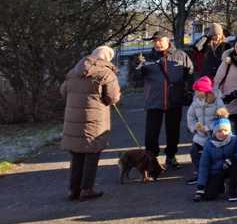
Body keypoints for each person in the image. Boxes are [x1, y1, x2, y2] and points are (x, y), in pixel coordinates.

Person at [61, 45, 121, 201]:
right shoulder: (106, 73)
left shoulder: (73, 72)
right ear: (107, 58)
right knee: (91, 154)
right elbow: (112, 98)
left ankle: (73, 190)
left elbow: (63, 92)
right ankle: (87, 189)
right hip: (94, 121)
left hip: (73, 120)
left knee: (77, 155)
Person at [133, 31, 194, 170]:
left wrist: (189, 90)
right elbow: (136, 80)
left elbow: (190, 74)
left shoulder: (180, 55)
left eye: (160, 40)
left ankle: (171, 156)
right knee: (151, 133)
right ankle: (151, 159)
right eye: (155, 41)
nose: (157, 43)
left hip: (174, 100)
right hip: (154, 100)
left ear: (168, 40)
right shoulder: (147, 57)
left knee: (173, 131)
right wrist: (137, 67)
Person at [194, 116, 237, 202]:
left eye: (225, 130)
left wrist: (232, 158)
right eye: (219, 131)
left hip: (230, 167)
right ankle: (220, 185)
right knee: (209, 196)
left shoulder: (234, 140)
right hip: (215, 171)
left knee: (236, 164)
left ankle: (232, 191)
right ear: (214, 132)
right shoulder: (209, 144)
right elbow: (204, 166)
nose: (222, 133)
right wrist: (200, 187)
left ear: (229, 131)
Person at [186, 76, 224, 185]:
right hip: (200, 135)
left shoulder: (217, 101)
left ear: (205, 90)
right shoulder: (196, 102)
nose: (196, 93)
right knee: (194, 152)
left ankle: (215, 175)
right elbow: (190, 116)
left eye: (198, 90)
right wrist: (194, 127)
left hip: (214, 135)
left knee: (214, 155)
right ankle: (200, 174)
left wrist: (209, 128)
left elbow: (222, 118)